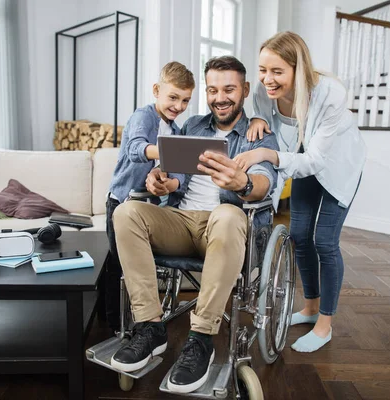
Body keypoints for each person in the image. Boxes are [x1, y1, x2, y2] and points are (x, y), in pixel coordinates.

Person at [110, 56, 278, 393]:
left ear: (245, 90)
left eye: (229, 89)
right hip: (180, 220)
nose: (220, 97)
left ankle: (200, 338)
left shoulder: (258, 134)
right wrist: (161, 180)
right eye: (213, 90)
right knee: (125, 213)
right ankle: (150, 327)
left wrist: (241, 182)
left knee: (230, 215)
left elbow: (264, 183)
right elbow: (175, 178)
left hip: (225, 224)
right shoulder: (192, 127)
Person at [234, 32, 367, 353]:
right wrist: (256, 120)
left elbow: (316, 159)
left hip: (338, 164)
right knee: (299, 236)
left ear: (299, 69)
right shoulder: (264, 96)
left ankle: (325, 324)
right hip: (302, 157)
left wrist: (266, 156)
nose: (267, 79)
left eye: (277, 71)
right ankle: (309, 308)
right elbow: (270, 135)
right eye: (262, 70)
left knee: (324, 241)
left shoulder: (330, 94)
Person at [105, 62, 195, 332]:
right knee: (118, 266)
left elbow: (179, 170)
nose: (178, 106)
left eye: (185, 100)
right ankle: (115, 326)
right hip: (121, 202)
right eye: (173, 97)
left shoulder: (177, 131)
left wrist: (168, 172)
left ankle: (142, 318)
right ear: (157, 90)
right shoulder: (144, 116)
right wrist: (169, 154)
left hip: (149, 210)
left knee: (141, 265)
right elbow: (135, 149)